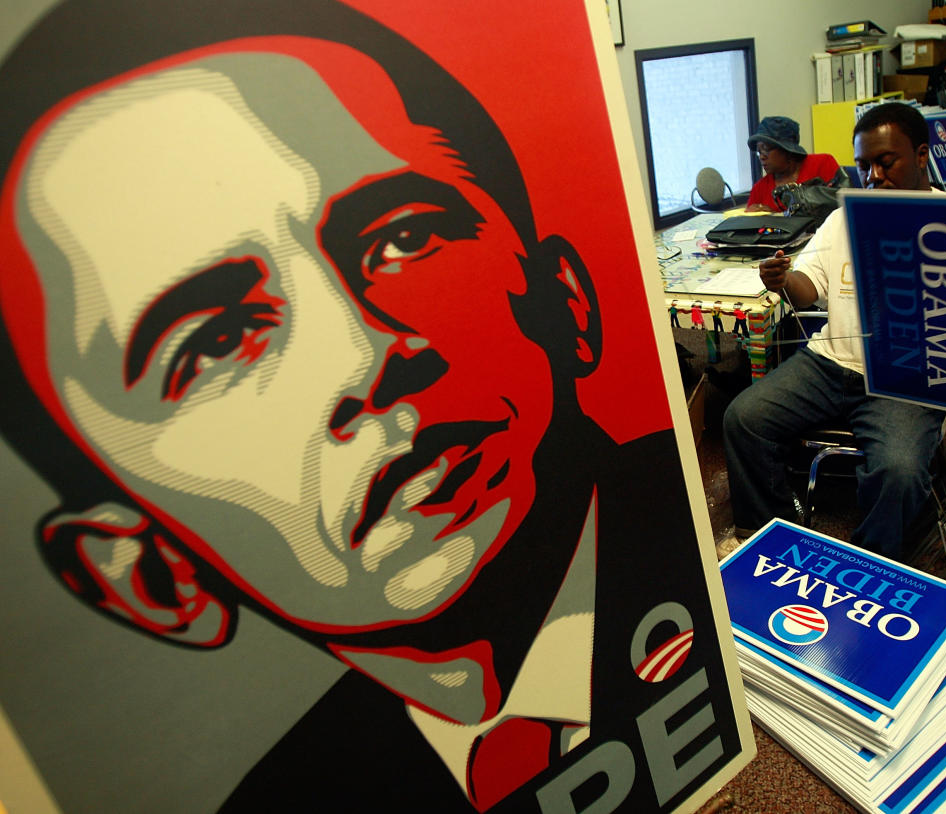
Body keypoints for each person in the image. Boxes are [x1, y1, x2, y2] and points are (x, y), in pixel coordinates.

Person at [0, 0, 744, 810]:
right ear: (147, 576)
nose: (368, 356)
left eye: (404, 237)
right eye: (213, 342)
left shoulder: (713, 582)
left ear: (566, 303)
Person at [724, 102, 946, 558]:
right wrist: (783, 278)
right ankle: (770, 538)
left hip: (910, 375)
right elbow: (809, 290)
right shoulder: (843, 218)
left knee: (900, 470)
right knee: (742, 419)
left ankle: (874, 562)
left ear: (923, 154)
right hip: (830, 361)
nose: (873, 176)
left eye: (886, 162)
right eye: (864, 166)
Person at [745, 115, 843, 213]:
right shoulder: (759, 189)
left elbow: (842, 206)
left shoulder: (823, 163)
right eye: (759, 151)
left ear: (787, 150)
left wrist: (778, 217)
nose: (761, 157)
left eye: (766, 149)